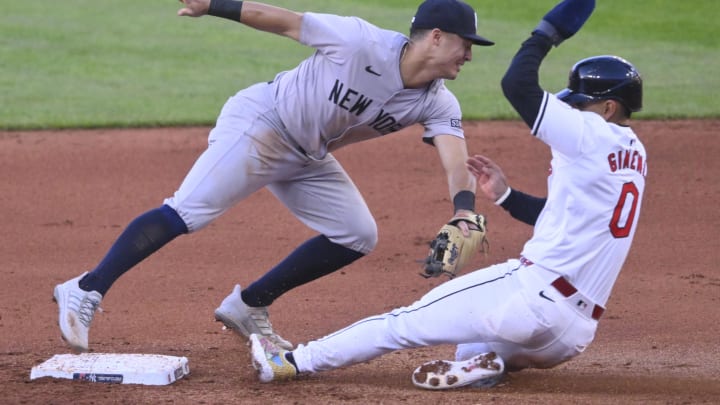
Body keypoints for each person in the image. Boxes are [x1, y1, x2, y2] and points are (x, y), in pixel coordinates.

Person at [52, 0, 496, 353]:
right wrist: (213, 5)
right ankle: (85, 288)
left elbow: (455, 160)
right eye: (466, 44)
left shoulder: (438, 103)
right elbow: (286, 22)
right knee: (188, 211)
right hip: (263, 124)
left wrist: (464, 210)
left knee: (357, 235)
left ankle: (249, 306)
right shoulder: (362, 42)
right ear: (435, 38)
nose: (470, 55)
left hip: (307, 155)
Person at [249, 0, 648, 390]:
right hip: (570, 336)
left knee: (402, 324)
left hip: (532, 300)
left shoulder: (589, 134)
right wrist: (507, 196)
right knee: (474, 342)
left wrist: (547, 33)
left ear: (609, 108)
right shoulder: (635, 157)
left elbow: (518, 85)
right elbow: (564, 213)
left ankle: (289, 362)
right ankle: (488, 363)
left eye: (581, 104)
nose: (573, 112)